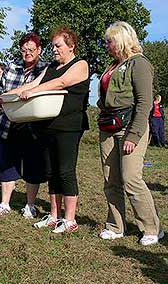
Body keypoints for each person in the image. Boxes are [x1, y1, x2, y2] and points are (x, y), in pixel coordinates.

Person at [9, 27, 90, 233]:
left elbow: (60, 83)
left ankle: (69, 219)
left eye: (58, 45)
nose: (54, 50)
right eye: (53, 46)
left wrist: (32, 92)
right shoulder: (52, 66)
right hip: (49, 126)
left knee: (65, 171)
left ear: (71, 46)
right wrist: (7, 95)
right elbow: (35, 82)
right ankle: (54, 215)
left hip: (69, 126)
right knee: (52, 171)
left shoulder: (80, 65)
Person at [97, 21, 163, 245]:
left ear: (123, 40)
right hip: (109, 127)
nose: (106, 45)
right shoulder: (112, 65)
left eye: (110, 41)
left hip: (130, 126)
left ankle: (152, 228)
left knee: (131, 178)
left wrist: (134, 135)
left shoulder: (139, 64)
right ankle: (115, 226)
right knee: (110, 179)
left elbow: (144, 102)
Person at [0, 32, 48, 220]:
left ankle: (30, 205)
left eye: (31, 49)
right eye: (24, 50)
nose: (28, 53)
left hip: (34, 127)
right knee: (7, 165)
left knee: (32, 167)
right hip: (9, 124)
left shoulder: (46, 69)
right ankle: (4, 203)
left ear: (39, 50)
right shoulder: (11, 68)